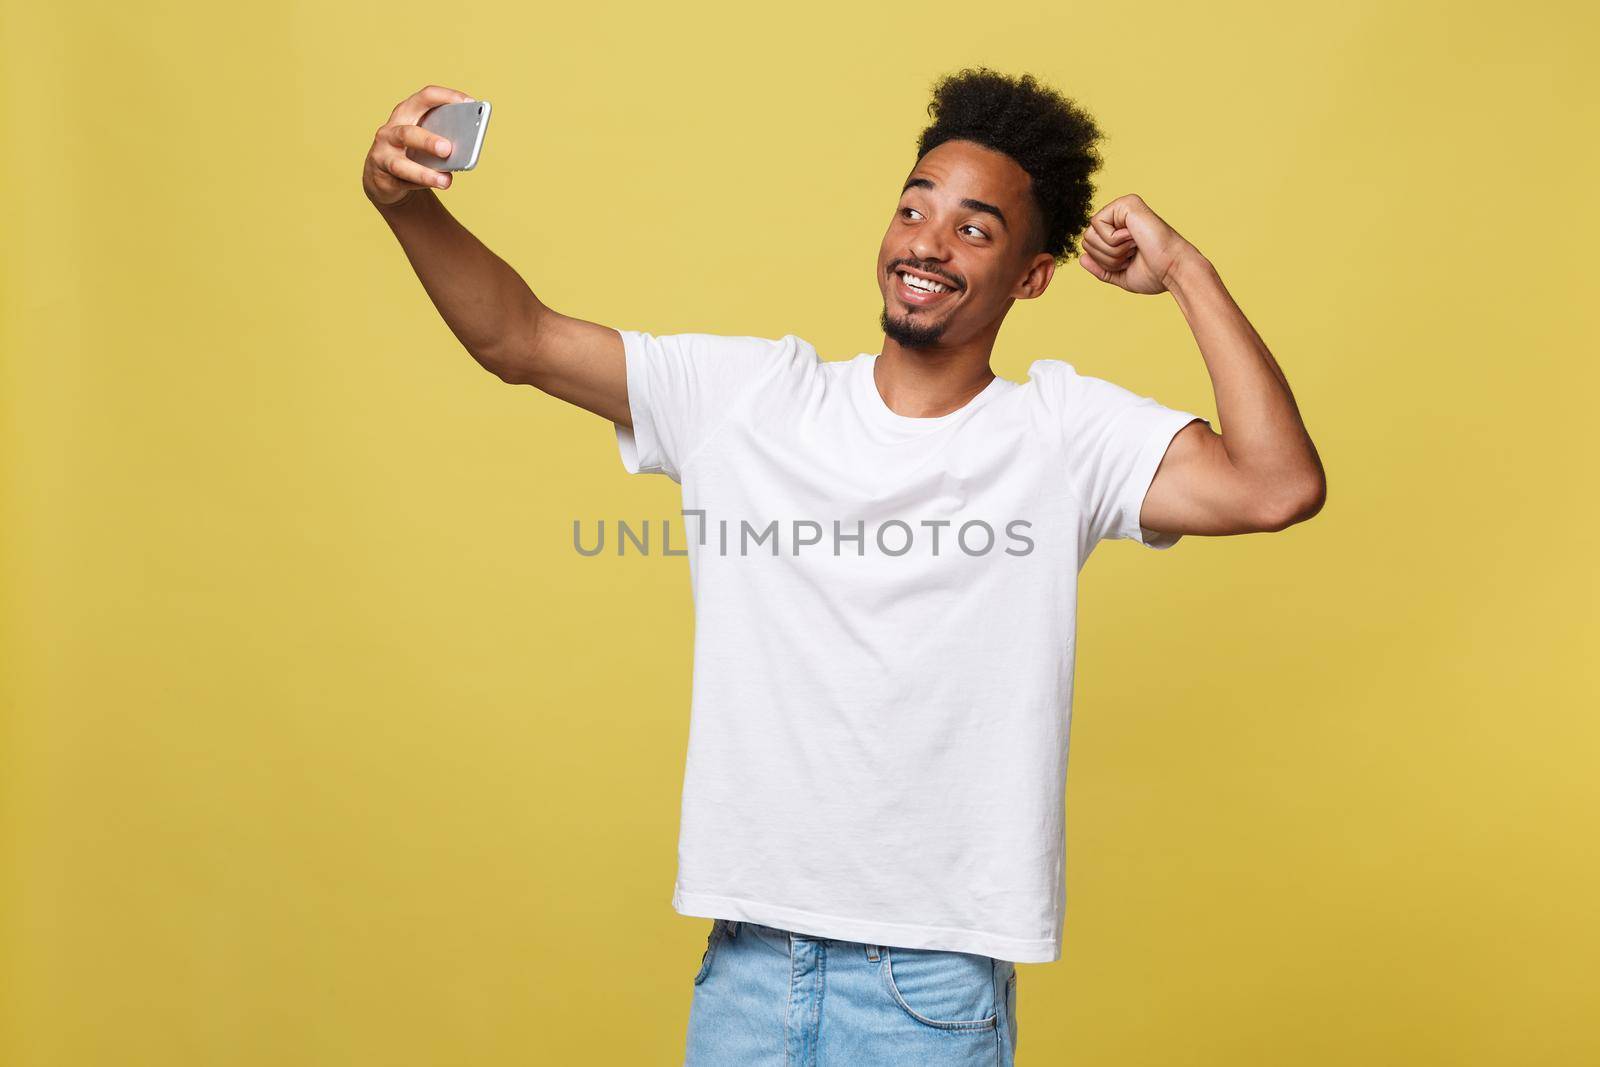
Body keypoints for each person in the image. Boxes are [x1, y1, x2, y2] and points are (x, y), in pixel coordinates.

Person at [363, 67, 1326, 1066]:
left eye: (974, 228)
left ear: (1031, 275)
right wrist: (401, 204)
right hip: (745, 966)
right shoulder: (748, 398)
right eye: (914, 208)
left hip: (932, 987)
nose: (926, 242)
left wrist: (1183, 270)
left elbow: (1273, 485)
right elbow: (517, 339)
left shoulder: (1060, 432)